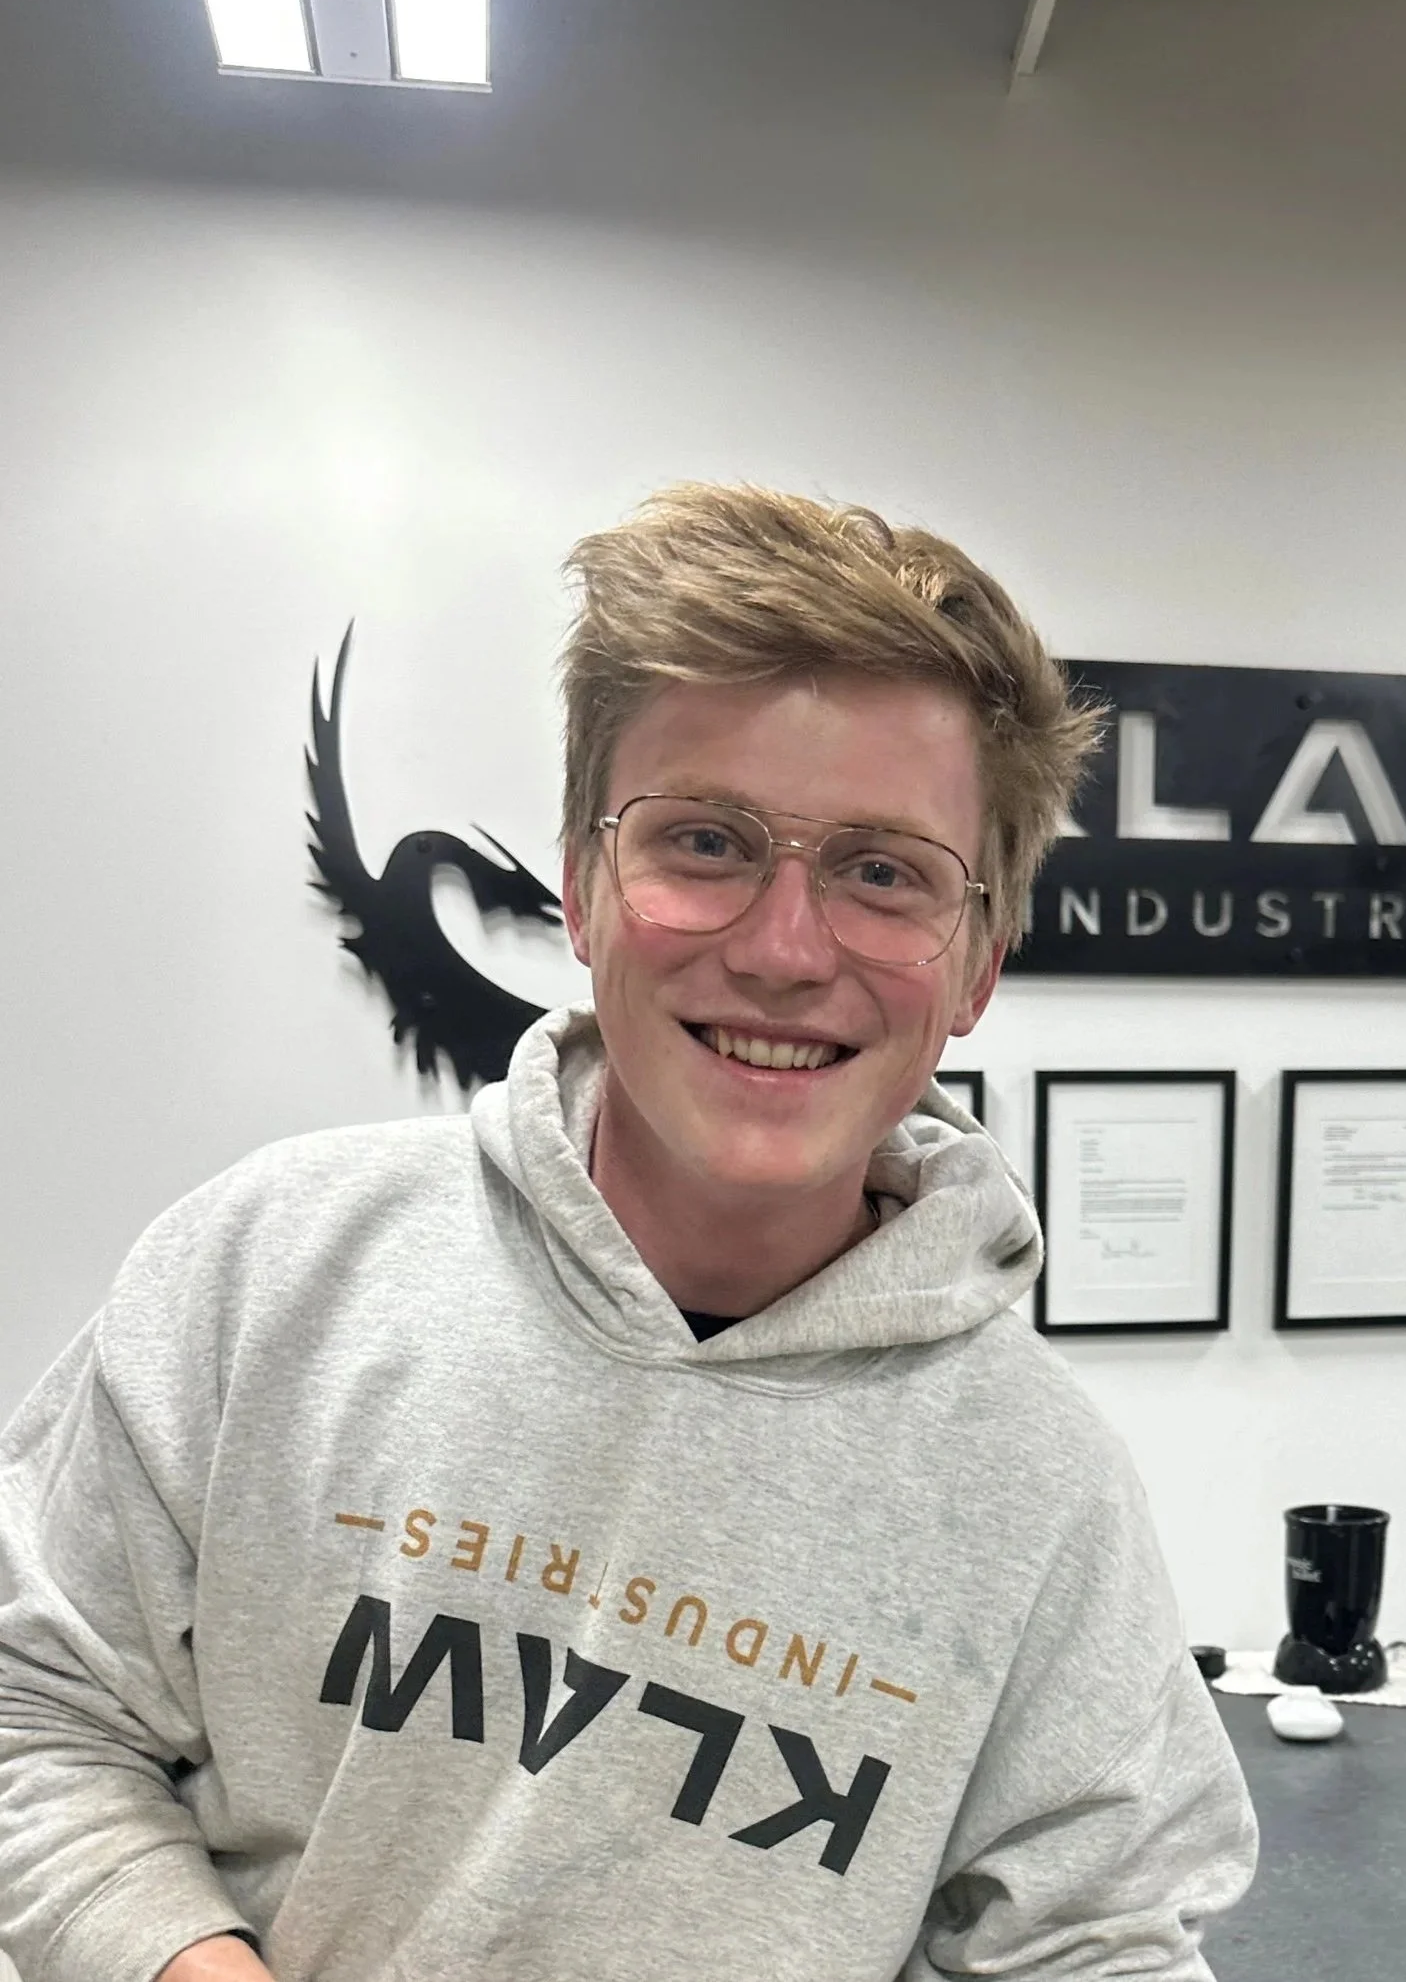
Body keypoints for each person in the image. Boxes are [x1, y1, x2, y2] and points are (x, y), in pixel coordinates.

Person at [0, 485, 1256, 1982]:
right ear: (584, 887)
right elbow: (40, 1714)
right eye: (708, 841)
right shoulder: (266, 1274)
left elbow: (1095, 1948)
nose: (788, 951)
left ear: (978, 963)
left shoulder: (1041, 1496)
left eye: (884, 872)